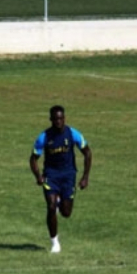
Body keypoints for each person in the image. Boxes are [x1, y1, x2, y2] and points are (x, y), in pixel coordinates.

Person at [29, 105, 92, 253]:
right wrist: (38, 176)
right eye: (56, 119)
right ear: (51, 119)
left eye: (61, 118)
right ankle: (55, 242)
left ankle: (59, 203)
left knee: (66, 212)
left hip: (68, 175)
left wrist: (85, 177)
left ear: (64, 118)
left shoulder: (72, 134)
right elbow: (33, 158)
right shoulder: (44, 137)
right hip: (51, 175)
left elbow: (87, 152)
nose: (59, 121)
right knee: (50, 207)